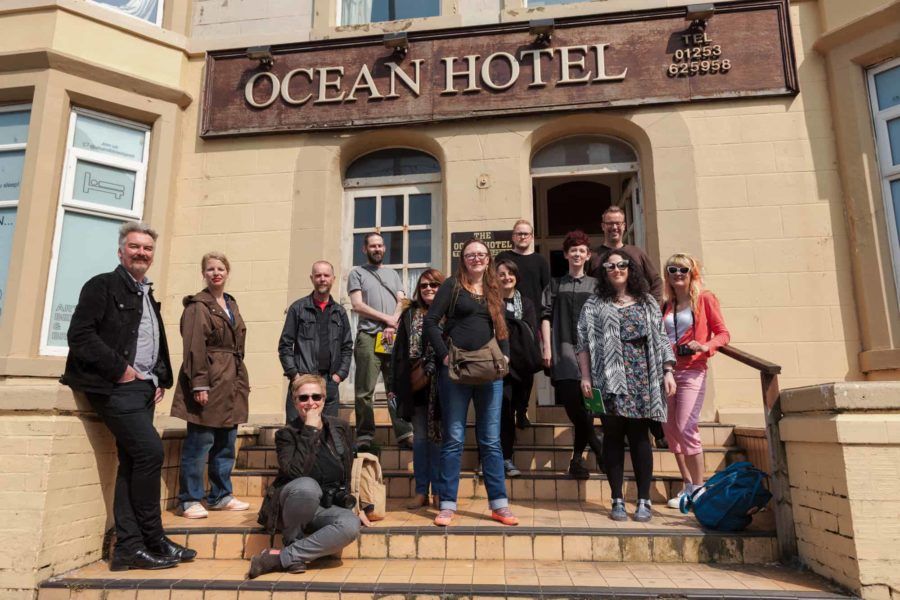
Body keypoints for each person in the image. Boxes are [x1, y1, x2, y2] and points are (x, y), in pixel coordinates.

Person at [61, 221, 195, 570]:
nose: (141, 253)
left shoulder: (146, 293)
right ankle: (141, 540)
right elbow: (80, 335)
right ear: (121, 251)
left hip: (142, 389)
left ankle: (138, 545)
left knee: (132, 463)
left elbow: (153, 341)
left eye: (147, 248)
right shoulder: (102, 286)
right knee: (150, 452)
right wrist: (120, 369)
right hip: (114, 387)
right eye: (135, 247)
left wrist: (159, 377)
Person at [576, 249, 676, 523]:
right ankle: (617, 498)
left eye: (622, 265)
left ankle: (643, 499)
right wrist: (585, 376)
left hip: (642, 378)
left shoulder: (646, 302)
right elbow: (582, 343)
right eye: (610, 266)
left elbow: (661, 337)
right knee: (612, 438)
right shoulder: (594, 304)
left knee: (640, 438)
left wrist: (668, 371)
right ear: (604, 272)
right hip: (607, 379)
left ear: (631, 269)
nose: (617, 269)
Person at [424, 239, 519, 527]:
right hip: (456, 372)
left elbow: (501, 329)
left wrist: (506, 358)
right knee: (453, 438)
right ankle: (447, 504)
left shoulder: (494, 288)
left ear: (488, 259)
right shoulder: (452, 286)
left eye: (481, 254)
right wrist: (442, 356)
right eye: (470, 255)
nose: (476, 258)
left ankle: (499, 505)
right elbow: (431, 322)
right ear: (462, 260)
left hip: (490, 373)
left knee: (491, 440)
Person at [250, 374, 368, 578]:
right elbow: (295, 472)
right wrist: (310, 430)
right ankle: (292, 539)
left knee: (350, 524)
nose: (310, 403)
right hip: (294, 505)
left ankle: (284, 557)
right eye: (303, 398)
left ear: (324, 399)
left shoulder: (340, 428)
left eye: (316, 397)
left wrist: (356, 506)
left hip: (327, 507)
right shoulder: (286, 435)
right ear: (295, 402)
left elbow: (347, 472)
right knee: (306, 486)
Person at [171, 252, 251, 519]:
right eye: (210, 269)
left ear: (227, 272)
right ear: (203, 274)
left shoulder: (231, 303)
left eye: (220, 268)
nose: (216, 273)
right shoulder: (198, 306)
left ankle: (220, 495)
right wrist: (199, 384)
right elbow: (194, 347)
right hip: (209, 381)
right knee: (200, 442)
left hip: (232, 382)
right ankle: (189, 499)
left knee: (226, 443)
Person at [587, 205, 667, 448]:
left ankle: (657, 432)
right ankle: (613, 434)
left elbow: (656, 281)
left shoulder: (636, 252)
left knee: (645, 384)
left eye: (618, 223)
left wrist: (651, 310)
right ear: (602, 226)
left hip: (638, 335)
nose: (614, 227)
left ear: (624, 225)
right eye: (609, 223)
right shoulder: (595, 258)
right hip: (608, 336)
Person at [661, 253, 730, 509]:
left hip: (692, 370)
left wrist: (704, 346)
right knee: (670, 429)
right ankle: (687, 485)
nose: (678, 274)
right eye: (672, 269)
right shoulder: (666, 305)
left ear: (692, 274)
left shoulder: (704, 299)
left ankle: (700, 488)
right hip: (666, 371)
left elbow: (723, 334)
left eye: (683, 270)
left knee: (685, 425)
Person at [541, 230, 604, 480]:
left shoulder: (597, 286)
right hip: (564, 352)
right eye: (573, 250)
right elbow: (545, 317)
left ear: (588, 255)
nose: (577, 254)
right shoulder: (556, 285)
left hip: (592, 353)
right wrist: (546, 347)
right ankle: (599, 449)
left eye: (582, 250)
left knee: (588, 410)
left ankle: (577, 460)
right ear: (566, 254)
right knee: (573, 406)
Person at [348, 233, 414, 451]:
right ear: (364, 249)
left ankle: (404, 433)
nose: (376, 249)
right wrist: (386, 318)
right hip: (368, 337)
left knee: (395, 387)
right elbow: (357, 305)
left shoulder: (392, 274)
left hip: (391, 336)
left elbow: (402, 300)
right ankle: (365, 435)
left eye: (380, 245)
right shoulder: (357, 273)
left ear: (384, 248)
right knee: (364, 390)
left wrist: (393, 322)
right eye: (372, 246)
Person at [391, 269, 446, 509]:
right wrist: (395, 385)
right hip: (417, 385)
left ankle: (441, 492)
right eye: (424, 286)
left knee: (441, 441)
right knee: (422, 440)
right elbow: (399, 352)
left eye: (434, 285)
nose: (428, 289)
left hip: (445, 385)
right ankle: (422, 491)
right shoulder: (409, 314)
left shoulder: (449, 313)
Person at [279, 260, 353, 421]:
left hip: (329, 381)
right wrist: (295, 376)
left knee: (328, 434)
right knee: (296, 433)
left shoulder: (339, 312)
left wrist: (339, 375)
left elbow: (347, 347)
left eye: (326, 275)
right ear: (311, 278)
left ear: (333, 278)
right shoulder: (298, 308)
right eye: (318, 275)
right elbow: (285, 346)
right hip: (302, 380)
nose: (322, 279)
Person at [496, 219, 549, 428]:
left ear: (532, 236)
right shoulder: (503, 258)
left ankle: (522, 408)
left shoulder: (540, 261)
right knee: (508, 369)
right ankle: (509, 411)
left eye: (526, 234)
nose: (522, 237)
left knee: (527, 369)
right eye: (519, 234)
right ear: (513, 236)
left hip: (529, 320)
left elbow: (546, 292)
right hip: (504, 320)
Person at [497, 258, 540, 479]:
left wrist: (509, 325)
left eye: (510, 273)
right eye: (502, 274)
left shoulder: (528, 303)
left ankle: (522, 413)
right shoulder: (491, 302)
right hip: (499, 366)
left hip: (521, 364)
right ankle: (504, 457)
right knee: (503, 412)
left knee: (515, 407)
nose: (506, 278)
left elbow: (530, 329)